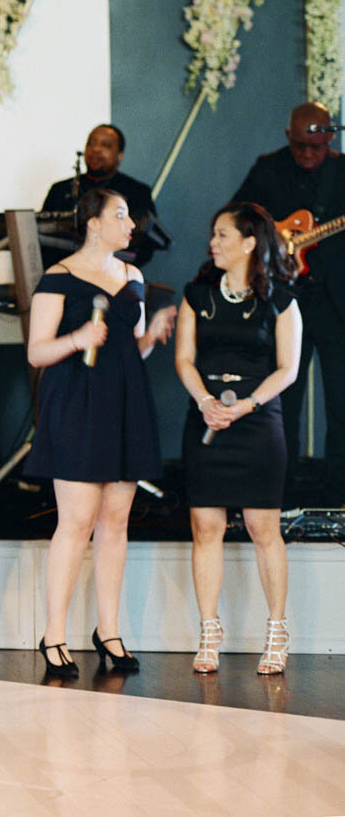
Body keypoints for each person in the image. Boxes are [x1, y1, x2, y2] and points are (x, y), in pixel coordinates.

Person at [25, 188, 176, 679]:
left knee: (116, 522)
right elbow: (36, 353)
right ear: (92, 222)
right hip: (75, 403)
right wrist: (77, 338)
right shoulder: (58, 278)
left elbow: (131, 348)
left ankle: (108, 631)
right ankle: (54, 634)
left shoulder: (132, 275)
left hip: (125, 401)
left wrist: (150, 336)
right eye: (120, 215)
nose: (130, 225)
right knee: (76, 521)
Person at [174, 203, 301, 675]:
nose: (213, 242)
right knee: (205, 528)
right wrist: (206, 400)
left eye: (223, 234)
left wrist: (246, 404)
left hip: (257, 422)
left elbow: (287, 368)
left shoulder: (281, 300)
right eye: (213, 234)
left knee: (263, 530)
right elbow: (184, 359)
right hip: (206, 420)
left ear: (250, 242)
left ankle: (277, 630)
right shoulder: (196, 295)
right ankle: (209, 632)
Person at [231, 101, 345, 502]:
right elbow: (235, 216)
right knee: (282, 401)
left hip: (335, 304)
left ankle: (339, 493)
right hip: (284, 301)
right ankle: (281, 489)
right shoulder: (268, 168)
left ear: (330, 137)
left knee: (341, 402)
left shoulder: (342, 171)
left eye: (316, 147)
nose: (308, 155)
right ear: (287, 137)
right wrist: (273, 236)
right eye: (300, 147)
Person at [41, 123, 166, 266]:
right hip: (63, 273)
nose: (95, 149)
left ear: (120, 155)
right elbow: (41, 236)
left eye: (105, 145)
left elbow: (145, 246)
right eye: (91, 143)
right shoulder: (60, 189)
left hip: (114, 277)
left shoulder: (137, 192)